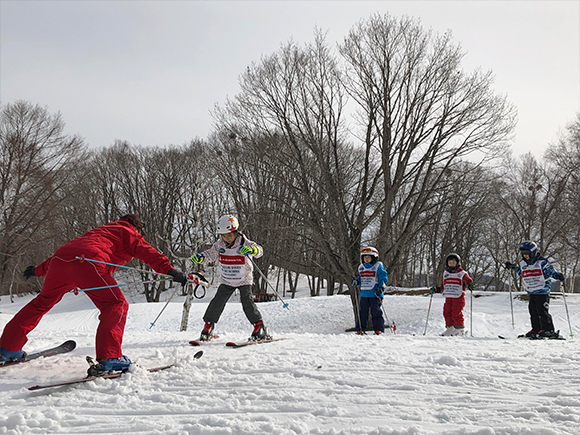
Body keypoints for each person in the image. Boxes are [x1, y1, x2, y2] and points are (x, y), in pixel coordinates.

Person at [0, 214, 188, 371]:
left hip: (59, 262)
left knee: (40, 303)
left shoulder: (100, 232)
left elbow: (64, 256)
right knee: (115, 304)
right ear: (136, 227)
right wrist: (169, 270)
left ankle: (7, 348)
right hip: (88, 262)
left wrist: (36, 270)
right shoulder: (128, 232)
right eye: (141, 232)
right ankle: (110, 357)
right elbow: (147, 251)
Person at [190, 214, 269, 342]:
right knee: (217, 301)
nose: (226, 238)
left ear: (236, 232)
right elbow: (211, 254)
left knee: (247, 301)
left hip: (244, 278)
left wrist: (252, 250)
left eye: (229, 235)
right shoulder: (219, 245)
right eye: (223, 235)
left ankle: (259, 326)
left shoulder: (244, 242)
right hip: (227, 279)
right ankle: (208, 325)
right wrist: (201, 257)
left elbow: (260, 250)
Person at [505, 241, 565, 339]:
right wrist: (513, 267)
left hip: (542, 290)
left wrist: (558, 276)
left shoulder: (542, 262)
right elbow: (522, 273)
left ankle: (548, 329)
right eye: (523, 253)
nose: (525, 255)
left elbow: (551, 272)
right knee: (533, 311)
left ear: (532, 252)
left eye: (527, 253)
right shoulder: (523, 263)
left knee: (542, 311)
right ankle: (536, 329)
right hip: (531, 291)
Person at [431, 253, 473, 336]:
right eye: (450, 262)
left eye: (454, 262)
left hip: (458, 296)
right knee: (447, 311)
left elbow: (468, 280)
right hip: (449, 296)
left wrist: (470, 284)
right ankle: (450, 328)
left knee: (456, 311)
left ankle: (459, 328)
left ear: (457, 263)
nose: (452, 263)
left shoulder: (461, 273)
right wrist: (437, 289)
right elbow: (444, 284)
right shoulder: (446, 273)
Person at [352, 246, 388, 335]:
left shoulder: (378, 266)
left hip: (375, 294)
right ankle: (360, 329)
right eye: (364, 257)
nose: (366, 259)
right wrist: (356, 281)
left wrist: (381, 287)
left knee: (376, 312)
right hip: (364, 294)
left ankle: (378, 329)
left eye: (368, 257)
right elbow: (361, 278)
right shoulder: (361, 267)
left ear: (374, 258)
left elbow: (383, 278)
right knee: (362, 313)